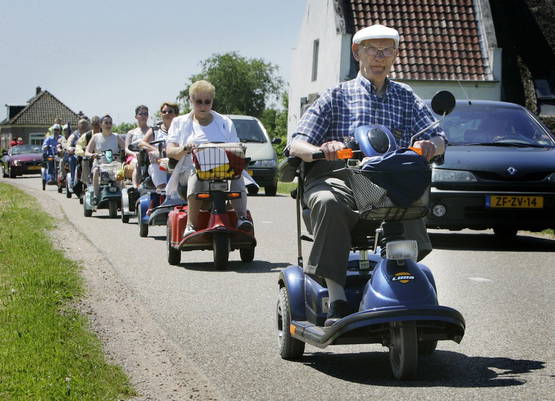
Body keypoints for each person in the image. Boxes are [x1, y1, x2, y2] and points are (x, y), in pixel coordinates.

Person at [288, 24, 447, 325]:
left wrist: (430, 145)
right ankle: (337, 299)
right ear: (357, 52)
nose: (379, 57)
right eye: (372, 49)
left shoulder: (406, 96)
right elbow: (296, 142)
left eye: (387, 50)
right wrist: (322, 148)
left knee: (411, 201)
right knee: (326, 201)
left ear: (396, 55)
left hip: (387, 182)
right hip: (340, 178)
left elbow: (439, 137)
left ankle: (401, 282)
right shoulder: (336, 95)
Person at [166, 80, 252, 234]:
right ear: (190, 100)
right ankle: (190, 225)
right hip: (189, 171)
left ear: (212, 101)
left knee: (237, 174)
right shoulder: (179, 122)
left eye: (207, 101)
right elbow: (170, 151)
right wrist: (184, 148)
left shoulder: (225, 122)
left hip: (223, 172)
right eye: (199, 101)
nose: (203, 106)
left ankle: (241, 218)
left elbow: (236, 147)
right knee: (196, 175)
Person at [85, 115, 125, 204]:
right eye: (106, 123)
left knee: (120, 171)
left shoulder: (116, 136)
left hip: (114, 164)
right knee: (95, 171)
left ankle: (122, 196)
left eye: (110, 123)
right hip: (99, 163)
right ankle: (96, 196)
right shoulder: (95, 137)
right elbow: (87, 152)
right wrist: (92, 155)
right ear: (100, 124)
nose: (108, 125)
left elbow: (126, 148)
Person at [139, 101, 179, 189]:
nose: (166, 114)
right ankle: (163, 193)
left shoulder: (181, 130)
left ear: (176, 114)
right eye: (164, 112)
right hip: (159, 164)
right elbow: (142, 143)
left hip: (178, 164)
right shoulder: (155, 130)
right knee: (155, 167)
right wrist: (155, 150)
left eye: (170, 111)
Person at [125, 105, 150, 188]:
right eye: (141, 114)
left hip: (149, 155)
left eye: (145, 114)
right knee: (138, 162)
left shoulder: (152, 130)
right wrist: (134, 154)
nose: (143, 116)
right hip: (135, 156)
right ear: (136, 116)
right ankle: (135, 187)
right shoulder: (131, 132)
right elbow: (126, 149)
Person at [76, 116, 101, 186]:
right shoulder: (87, 135)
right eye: (94, 124)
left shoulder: (105, 133)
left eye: (98, 124)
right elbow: (78, 146)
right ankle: (88, 183)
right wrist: (85, 152)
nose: (96, 126)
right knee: (85, 160)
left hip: (103, 157)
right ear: (91, 125)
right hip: (90, 158)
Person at [66, 119, 89, 189]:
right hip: (76, 154)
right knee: (71, 159)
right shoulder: (74, 134)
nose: (83, 127)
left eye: (85, 126)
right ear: (78, 126)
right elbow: (69, 141)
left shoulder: (89, 134)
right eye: (81, 126)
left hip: (87, 155)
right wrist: (69, 148)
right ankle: (73, 181)